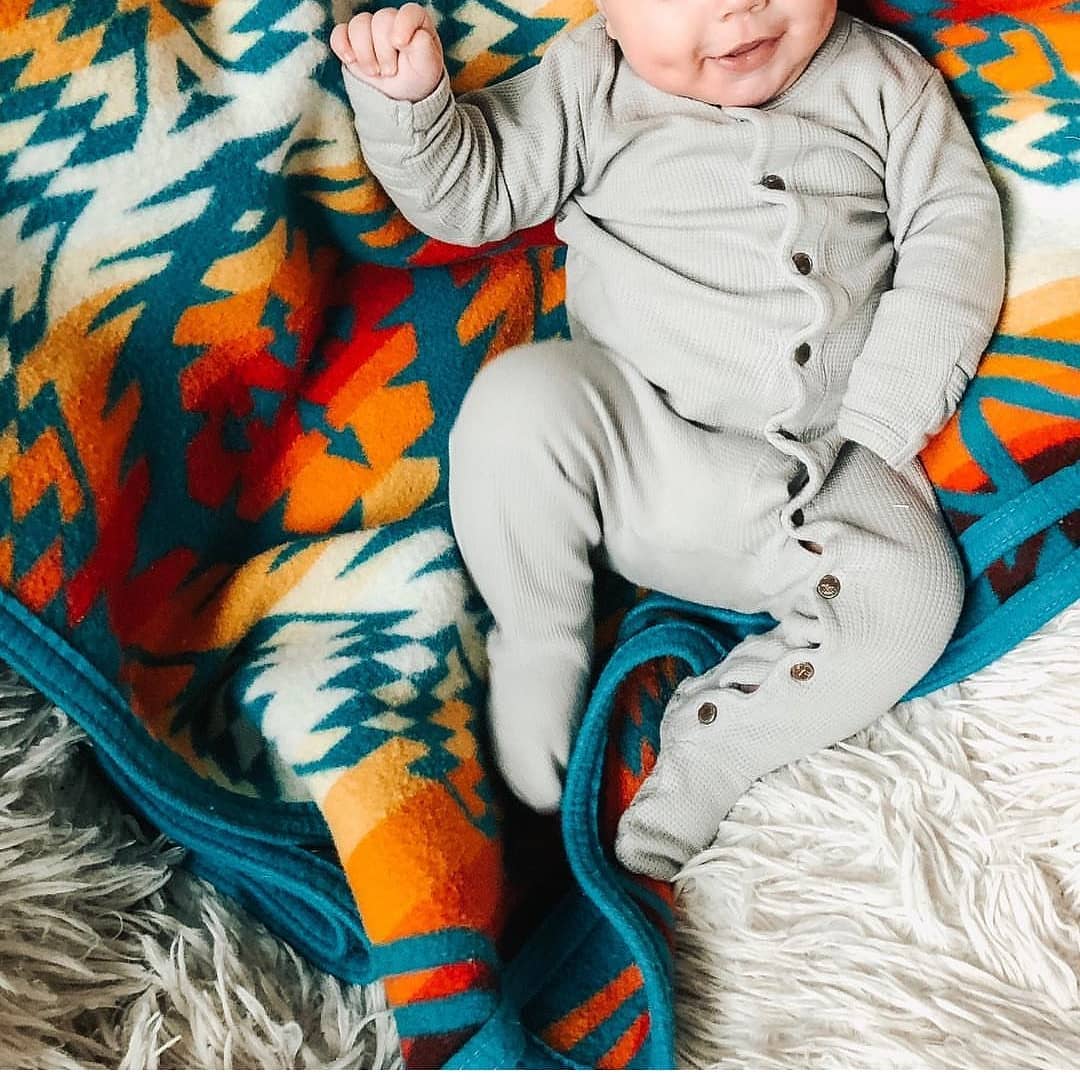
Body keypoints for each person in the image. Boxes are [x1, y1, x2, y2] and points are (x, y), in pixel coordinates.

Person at [330, 0, 1005, 880]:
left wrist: (884, 420)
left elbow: (954, 232)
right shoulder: (591, 83)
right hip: (634, 457)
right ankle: (540, 637)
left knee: (913, 592)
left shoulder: (885, 83)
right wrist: (411, 104)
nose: (739, 8)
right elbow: (475, 195)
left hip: (826, 483)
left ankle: (716, 752)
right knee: (517, 403)